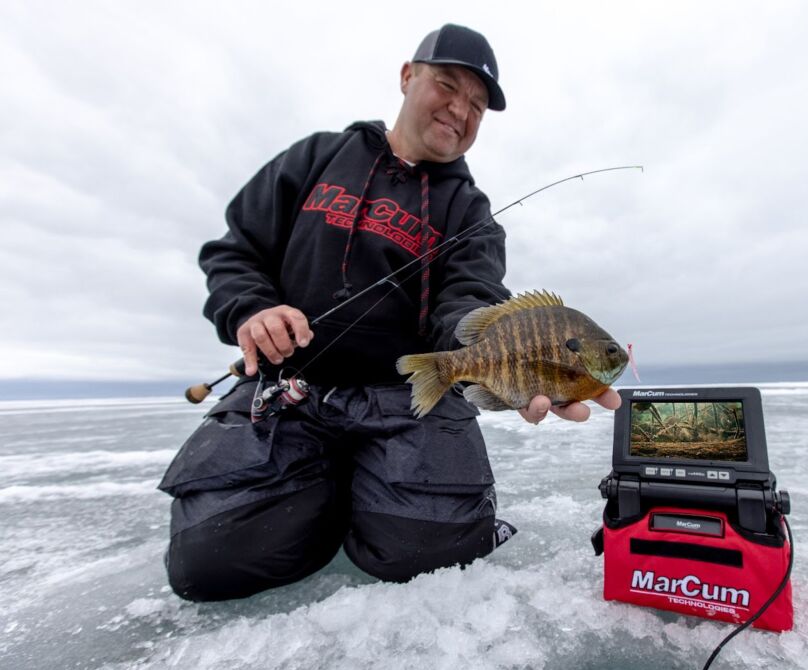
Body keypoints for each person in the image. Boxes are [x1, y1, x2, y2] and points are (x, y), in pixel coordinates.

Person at [159, 24, 619, 601]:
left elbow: (469, 297)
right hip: (289, 387)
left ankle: (373, 489)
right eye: (447, 86)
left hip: (405, 400)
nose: (460, 109)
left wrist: (497, 355)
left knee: (430, 555)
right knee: (214, 560)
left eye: (477, 105)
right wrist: (252, 309)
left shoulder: (470, 211)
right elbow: (234, 251)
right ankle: (329, 487)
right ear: (407, 77)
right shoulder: (317, 156)